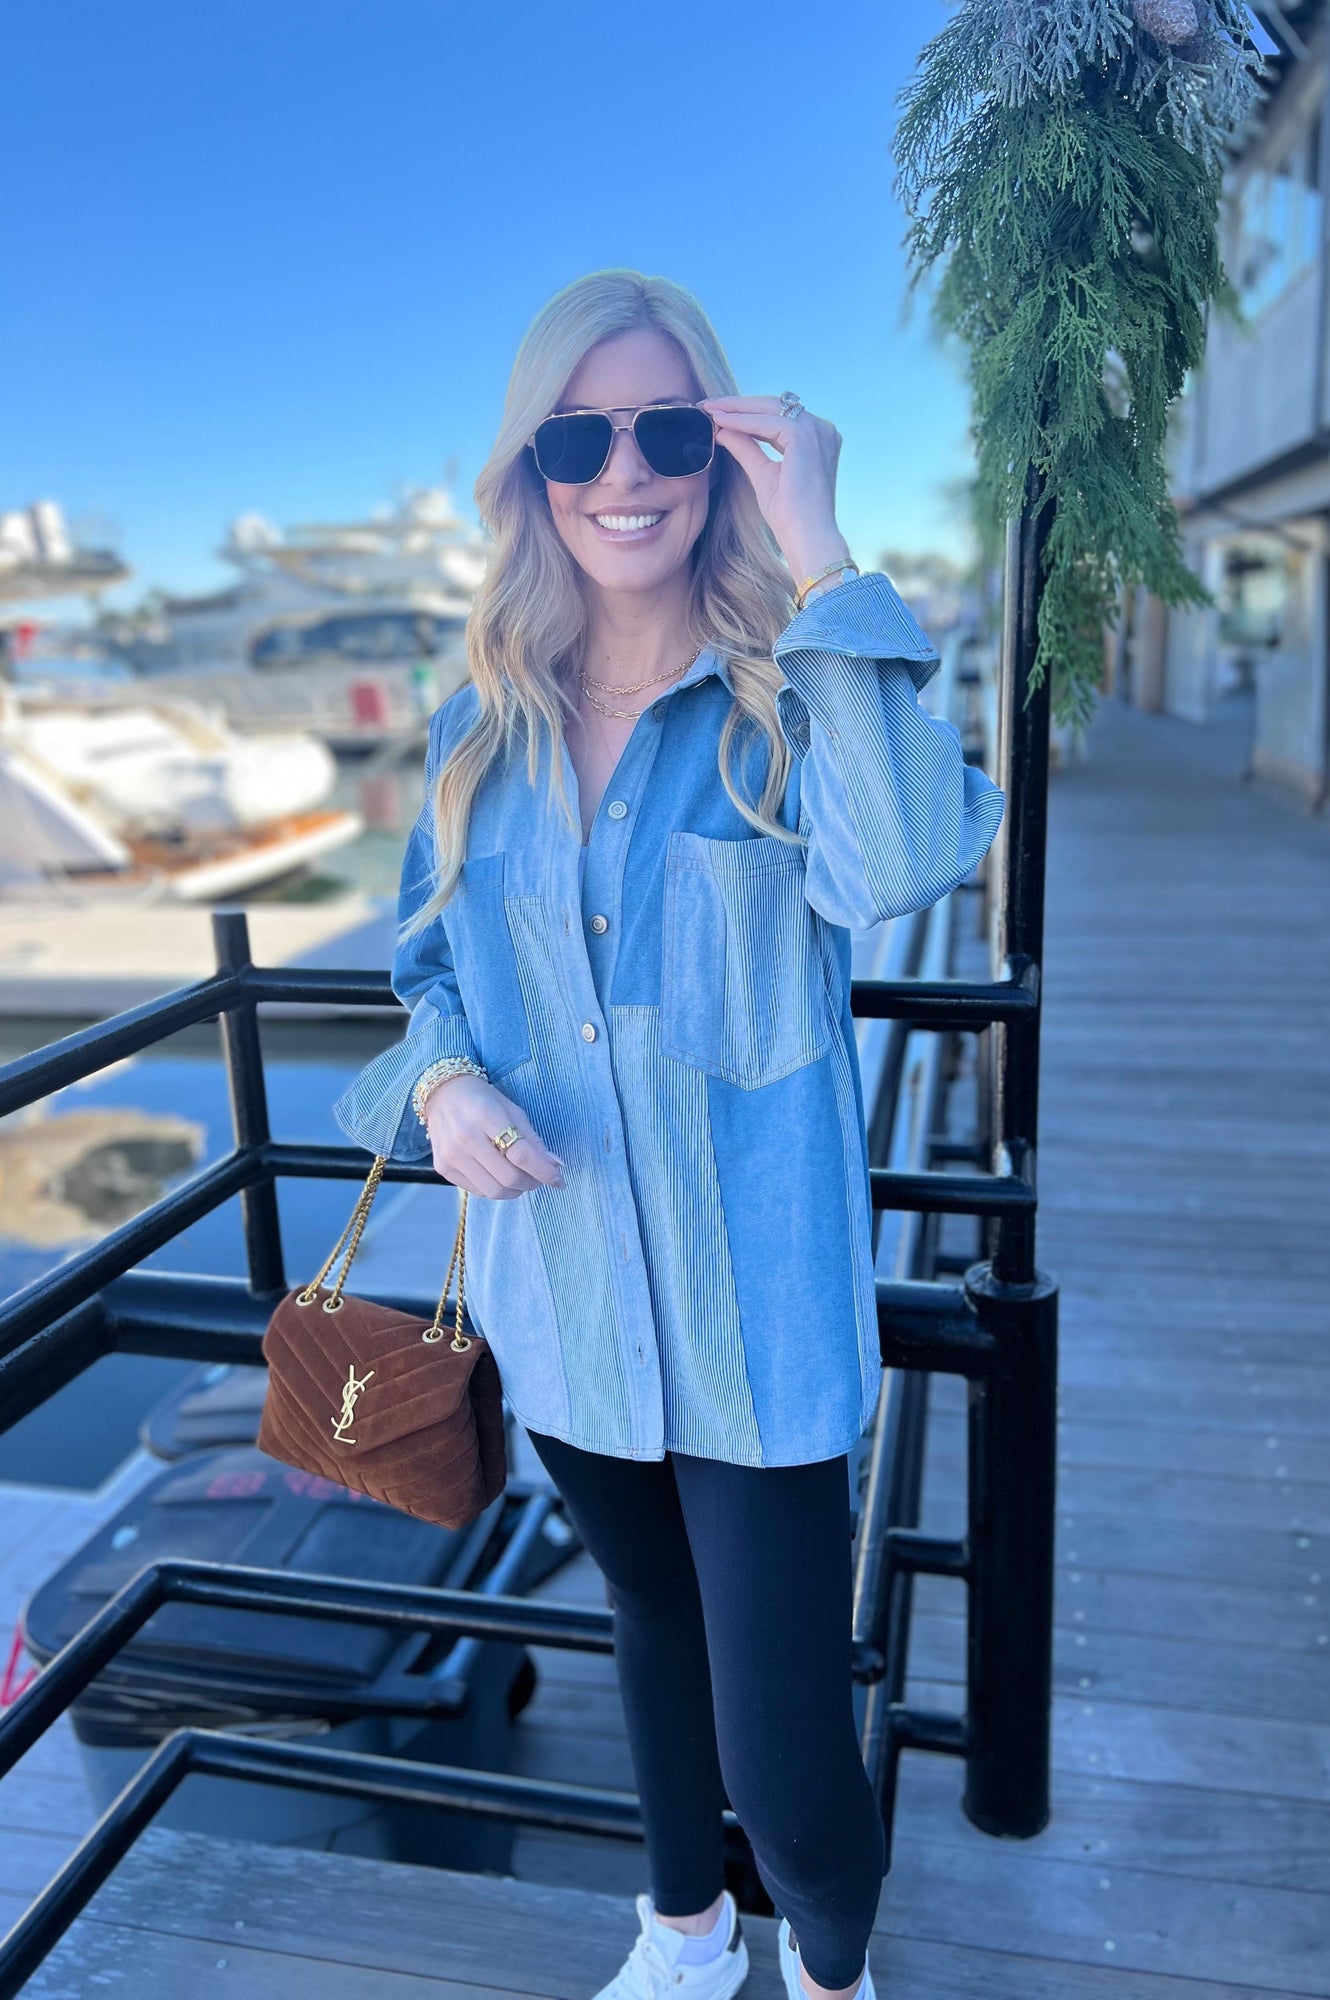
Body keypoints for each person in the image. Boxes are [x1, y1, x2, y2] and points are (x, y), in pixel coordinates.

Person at [334, 268, 1005, 2000]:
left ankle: (831, 1974)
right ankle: (684, 1935)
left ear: (720, 451)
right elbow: (424, 968)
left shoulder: (796, 699)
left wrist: (822, 543)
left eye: (662, 431)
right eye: (577, 439)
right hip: (561, 1301)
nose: (620, 472)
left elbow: (902, 864)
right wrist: (444, 1086)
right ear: (530, 472)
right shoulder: (479, 728)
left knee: (784, 1755)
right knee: (643, 1624)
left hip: (754, 1323)